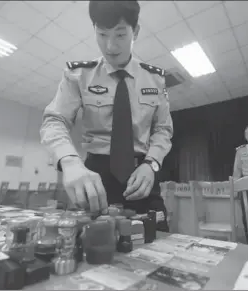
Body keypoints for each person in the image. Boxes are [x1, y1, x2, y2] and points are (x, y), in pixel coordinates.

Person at [40, 1, 173, 231]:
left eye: (120, 35)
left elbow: (163, 129)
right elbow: (55, 120)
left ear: (136, 31)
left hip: (143, 176)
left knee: (158, 244)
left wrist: (151, 164)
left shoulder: (155, 79)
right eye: (102, 34)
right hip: (94, 178)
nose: (110, 46)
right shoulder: (79, 75)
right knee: (94, 252)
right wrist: (70, 162)